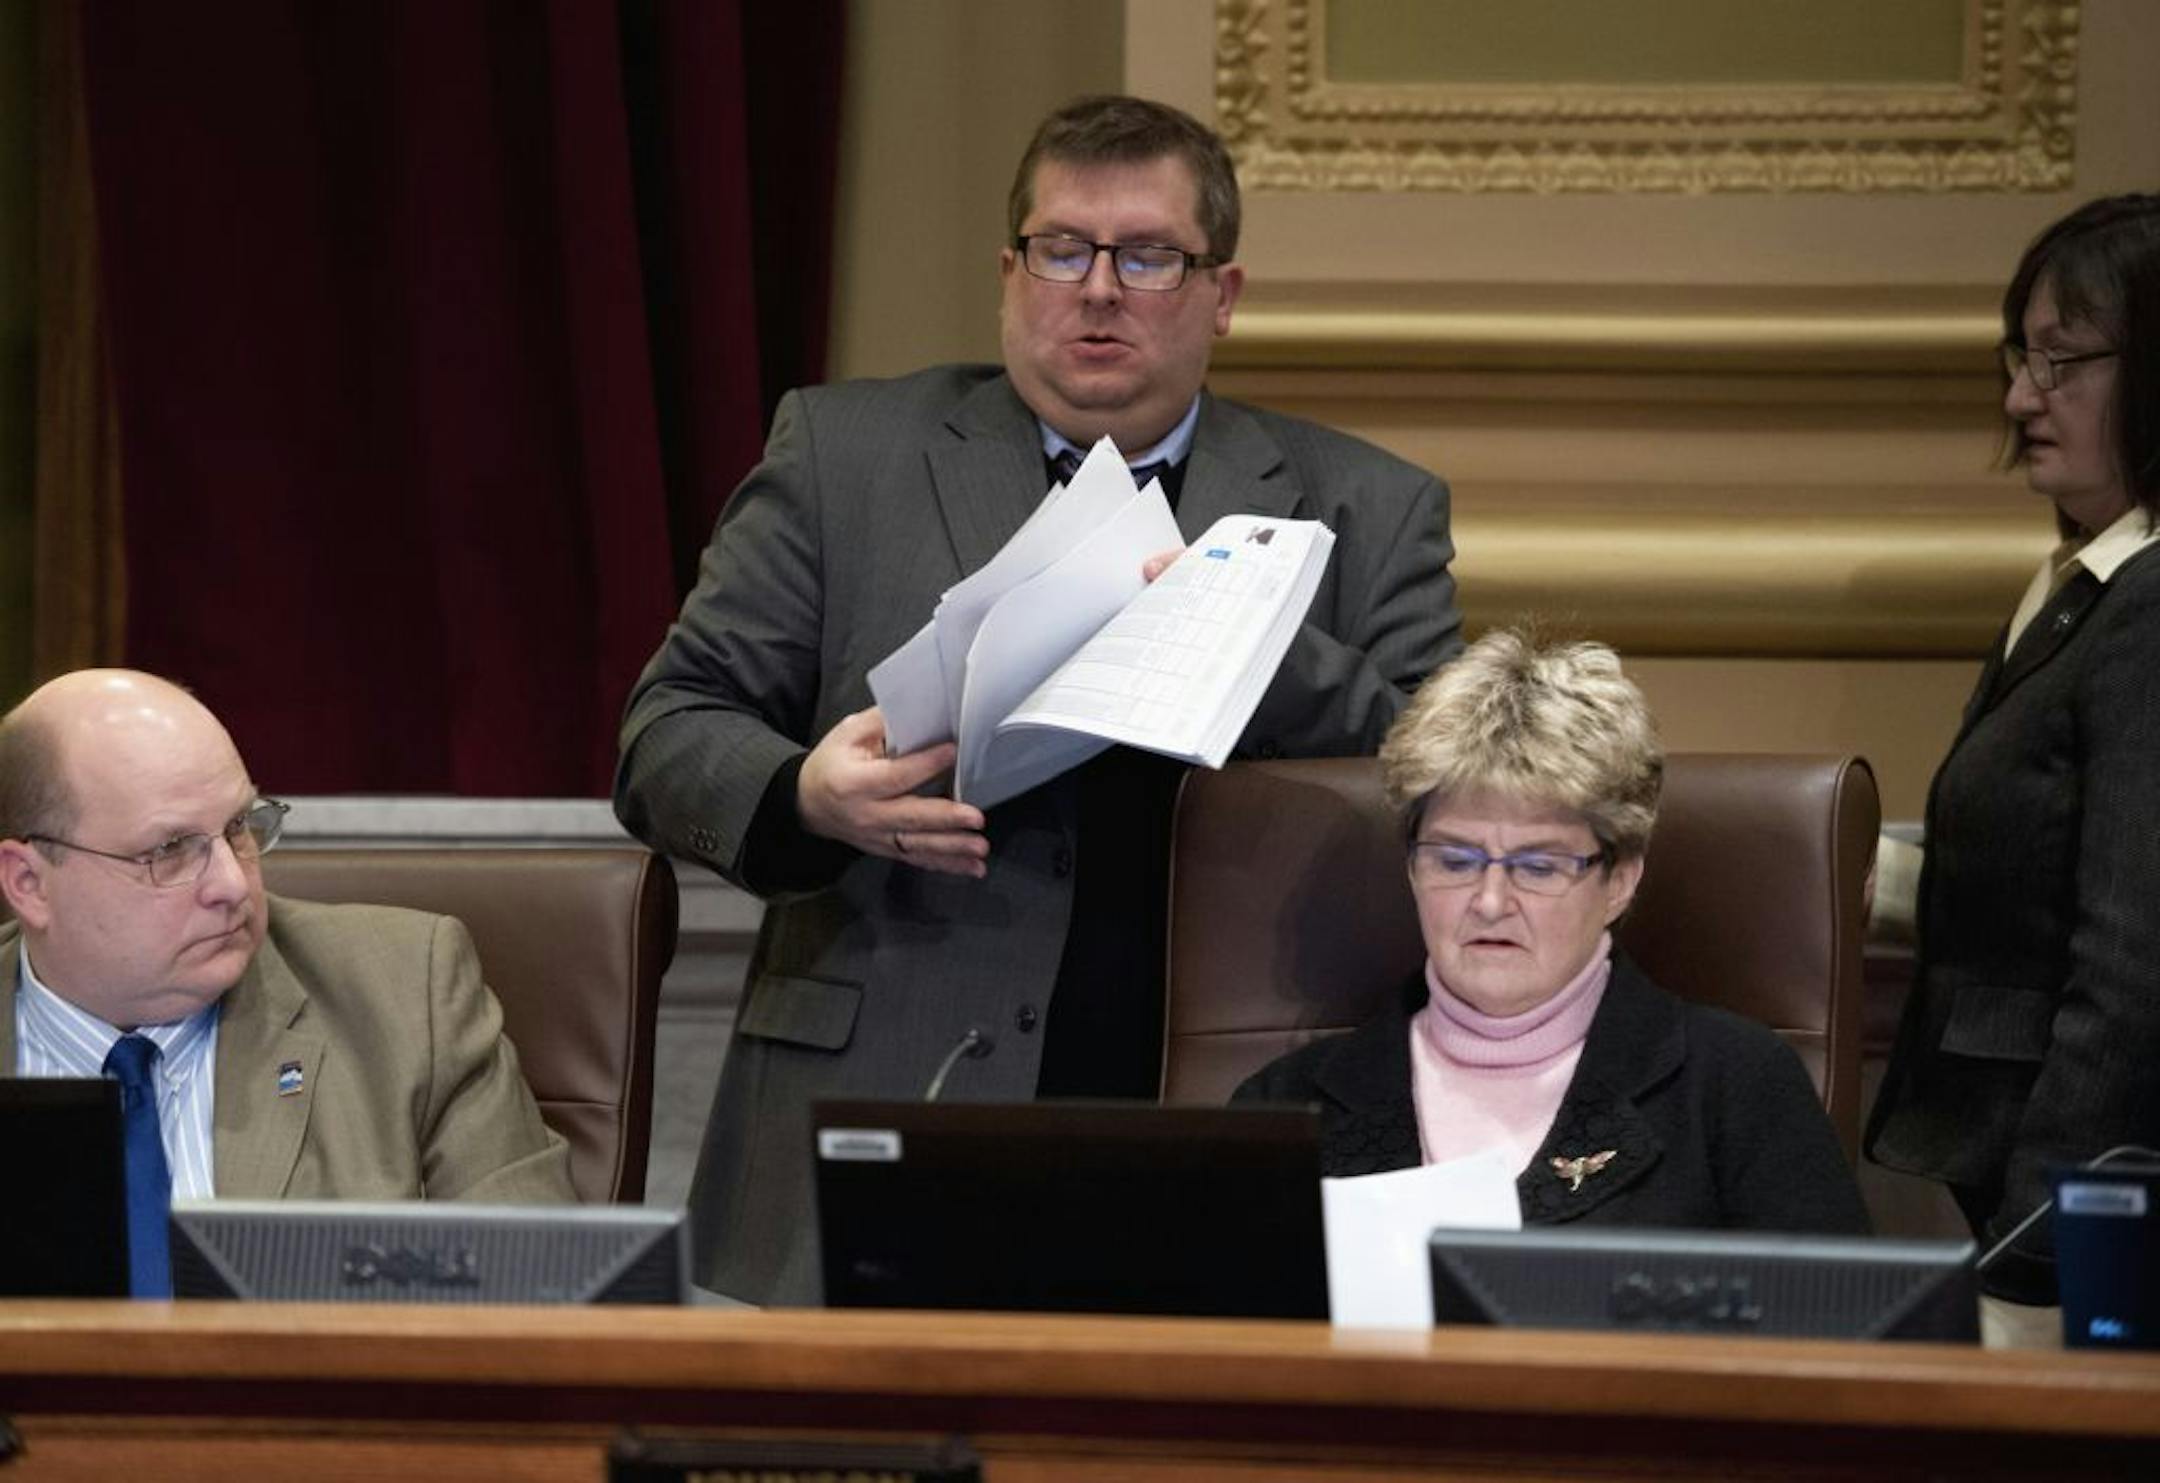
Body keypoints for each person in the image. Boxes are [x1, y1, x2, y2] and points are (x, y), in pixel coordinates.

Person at [616, 94, 1462, 1302]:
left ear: (1221, 293)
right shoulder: (844, 456)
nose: (1098, 288)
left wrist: (1256, 637)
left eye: (1148, 255)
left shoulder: (1365, 507)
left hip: (1226, 1098)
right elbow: (665, 732)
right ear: (1011, 274)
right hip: (892, 1076)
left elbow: (1461, 792)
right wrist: (806, 792)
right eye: (1061, 249)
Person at [1236, 630, 1869, 1234]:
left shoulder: (1737, 1088)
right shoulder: (1286, 1109)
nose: (1489, 902)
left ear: (1619, 879)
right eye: (1455, 860)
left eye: (1538, 866)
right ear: (1411, 867)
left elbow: (1843, 1333)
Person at [0, 670, 575, 1256]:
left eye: (239, 828)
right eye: (170, 852)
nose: (232, 883)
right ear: (30, 883)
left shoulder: (406, 998)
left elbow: (536, 1284)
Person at [1867, 195, 2160, 1317]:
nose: (2018, 398)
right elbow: (2024, 869)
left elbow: (2132, 963)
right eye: (2018, 356)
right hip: (2005, 1173)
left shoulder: (2149, 602)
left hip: (2071, 1202)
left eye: (2062, 361)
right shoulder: (2082, 577)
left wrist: (2049, 1230)